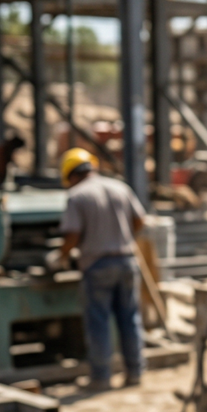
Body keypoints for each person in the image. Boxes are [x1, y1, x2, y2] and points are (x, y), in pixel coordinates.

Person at [57, 148, 147, 391]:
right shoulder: (120, 187)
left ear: (71, 175)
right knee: (130, 318)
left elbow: (72, 235)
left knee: (99, 322)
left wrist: (60, 256)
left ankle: (101, 378)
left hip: (97, 265)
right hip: (127, 261)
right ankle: (135, 372)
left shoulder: (77, 195)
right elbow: (140, 220)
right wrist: (123, 236)